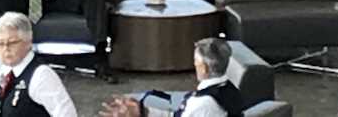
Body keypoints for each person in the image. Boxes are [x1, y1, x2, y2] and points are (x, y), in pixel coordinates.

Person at [0, 12, 77, 117]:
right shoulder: (2, 69)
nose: (6, 49)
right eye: (1, 43)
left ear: (28, 42)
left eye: (12, 43)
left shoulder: (40, 75)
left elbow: (66, 113)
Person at [101, 38, 244, 117]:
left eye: (195, 61)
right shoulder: (230, 91)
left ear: (204, 68)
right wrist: (143, 111)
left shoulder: (203, 103)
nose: (194, 64)